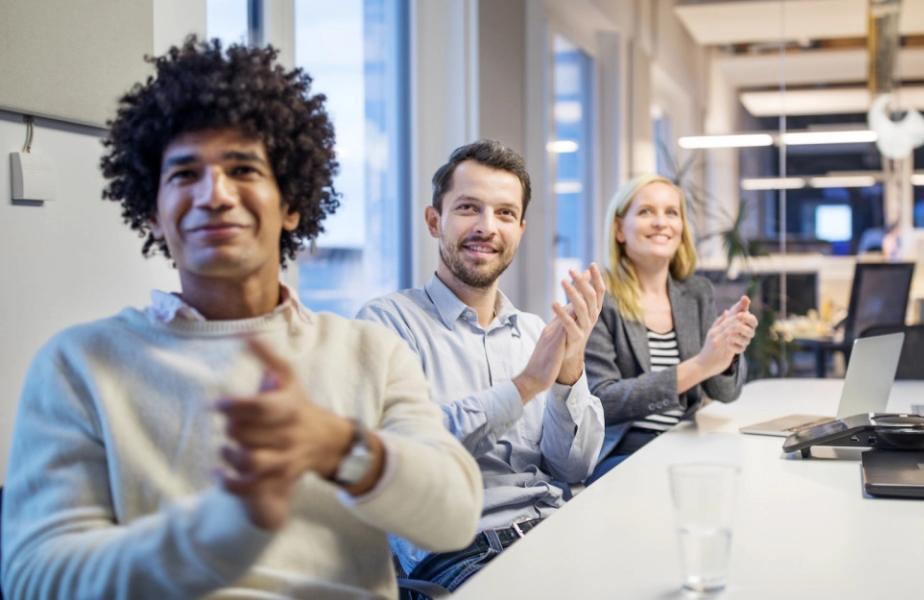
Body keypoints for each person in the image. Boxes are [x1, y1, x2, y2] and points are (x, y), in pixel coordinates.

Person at [0, 38, 482, 599]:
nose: (215, 195)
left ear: (292, 203)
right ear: (153, 213)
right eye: (184, 174)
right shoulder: (79, 365)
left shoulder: (369, 352)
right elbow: (35, 579)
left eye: (243, 168)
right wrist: (222, 528)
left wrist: (337, 447)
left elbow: (453, 516)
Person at [357, 140, 605, 596]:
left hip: (554, 528)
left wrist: (568, 373)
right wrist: (527, 385)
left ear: (521, 229)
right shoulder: (387, 324)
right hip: (460, 552)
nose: (487, 227)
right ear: (435, 221)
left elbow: (572, 468)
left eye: (505, 214)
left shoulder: (536, 333)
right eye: (469, 208)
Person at [584, 175, 756, 481]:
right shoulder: (598, 296)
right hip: (625, 451)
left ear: (681, 231)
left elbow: (725, 393)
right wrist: (699, 366)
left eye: (671, 212)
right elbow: (602, 402)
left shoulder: (696, 293)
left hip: (686, 440)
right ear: (619, 229)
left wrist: (727, 352)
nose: (661, 222)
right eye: (646, 212)